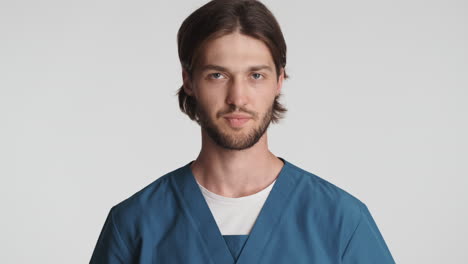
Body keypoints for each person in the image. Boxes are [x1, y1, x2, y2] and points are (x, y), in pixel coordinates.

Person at [90, 0, 395, 263]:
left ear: (279, 81)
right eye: (218, 75)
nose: (238, 98)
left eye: (256, 75)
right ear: (189, 81)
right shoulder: (134, 225)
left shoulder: (340, 222)